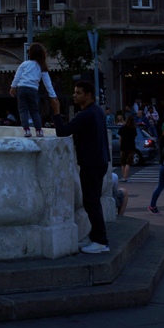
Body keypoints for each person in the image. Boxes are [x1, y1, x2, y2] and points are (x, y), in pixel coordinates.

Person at [54, 80, 110, 254]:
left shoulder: (85, 115)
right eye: (75, 92)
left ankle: (101, 241)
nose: (74, 95)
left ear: (88, 96)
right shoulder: (97, 112)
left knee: (91, 202)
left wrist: (56, 112)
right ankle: (95, 236)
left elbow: (62, 131)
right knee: (93, 201)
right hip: (99, 161)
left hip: (91, 164)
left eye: (78, 92)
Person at [10, 43, 60, 137]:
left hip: (21, 88)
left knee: (23, 109)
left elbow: (17, 77)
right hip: (33, 90)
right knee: (34, 110)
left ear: (30, 54)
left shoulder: (24, 64)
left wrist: (13, 87)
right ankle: (39, 130)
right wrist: (53, 96)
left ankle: (26, 130)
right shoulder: (42, 66)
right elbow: (47, 83)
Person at [117, 115, 137, 182]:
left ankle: (123, 177)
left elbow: (120, 139)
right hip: (131, 146)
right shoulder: (133, 128)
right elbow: (134, 138)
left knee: (123, 162)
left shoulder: (122, 128)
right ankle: (126, 178)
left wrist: (120, 146)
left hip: (123, 146)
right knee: (128, 162)